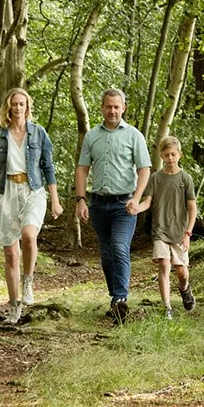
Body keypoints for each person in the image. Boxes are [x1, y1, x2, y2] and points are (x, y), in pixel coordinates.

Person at [0, 87, 61, 324]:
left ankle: (28, 281)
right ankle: (14, 306)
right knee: (10, 254)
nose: (18, 108)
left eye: (22, 104)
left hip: (33, 190)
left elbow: (48, 167)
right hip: (7, 191)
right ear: (8, 107)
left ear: (27, 107)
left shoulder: (38, 134)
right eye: (14, 104)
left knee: (28, 235)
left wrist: (55, 200)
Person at [73, 88, 151, 323]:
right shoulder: (91, 136)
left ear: (123, 108)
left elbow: (144, 169)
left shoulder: (134, 135)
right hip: (98, 204)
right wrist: (80, 200)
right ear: (102, 107)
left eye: (117, 107)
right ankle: (114, 297)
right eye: (108, 106)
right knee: (106, 255)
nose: (112, 111)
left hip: (124, 205)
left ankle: (120, 298)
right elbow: (82, 168)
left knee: (119, 248)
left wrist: (136, 198)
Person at [147, 136, 198, 320]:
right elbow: (148, 201)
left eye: (173, 154)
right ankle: (166, 307)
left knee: (181, 272)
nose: (170, 158)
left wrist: (187, 233)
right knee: (163, 264)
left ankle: (184, 288)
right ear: (161, 155)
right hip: (160, 229)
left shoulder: (186, 179)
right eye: (166, 154)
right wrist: (135, 207)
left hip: (180, 231)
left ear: (180, 155)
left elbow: (192, 207)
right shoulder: (155, 178)